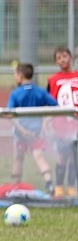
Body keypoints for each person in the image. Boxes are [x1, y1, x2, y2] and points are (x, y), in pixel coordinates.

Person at [8, 63, 58, 195]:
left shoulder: (16, 93)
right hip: (37, 133)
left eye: (15, 75)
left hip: (21, 134)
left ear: (20, 76)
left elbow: (10, 114)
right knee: (39, 156)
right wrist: (45, 123)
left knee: (18, 158)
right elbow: (55, 106)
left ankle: (15, 186)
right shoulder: (40, 91)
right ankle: (49, 185)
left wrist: (22, 130)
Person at [47, 46, 78, 198]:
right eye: (59, 58)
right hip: (61, 124)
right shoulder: (53, 80)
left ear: (70, 57)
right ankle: (59, 186)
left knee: (74, 156)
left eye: (65, 56)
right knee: (61, 155)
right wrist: (48, 122)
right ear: (56, 62)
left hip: (75, 123)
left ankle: (71, 186)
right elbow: (48, 102)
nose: (63, 60)